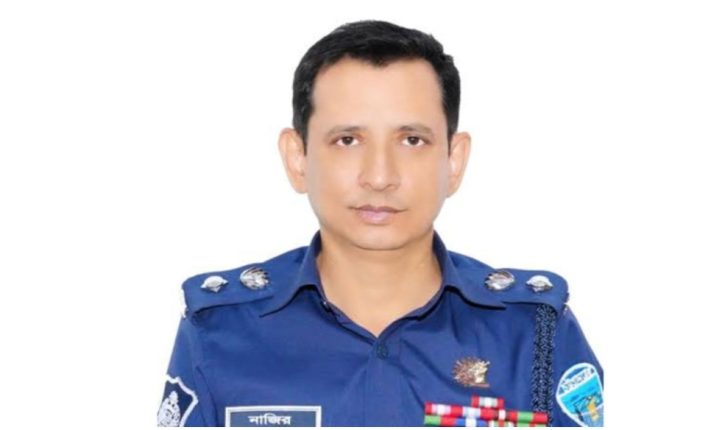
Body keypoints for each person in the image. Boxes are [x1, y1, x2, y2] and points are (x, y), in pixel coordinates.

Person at [157, 19, 604, 427]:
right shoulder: (219, 333)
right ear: (298, 158)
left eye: (412, 140)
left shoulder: (535, 335)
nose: (379, 177)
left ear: (453, 160)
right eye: (347, 140)